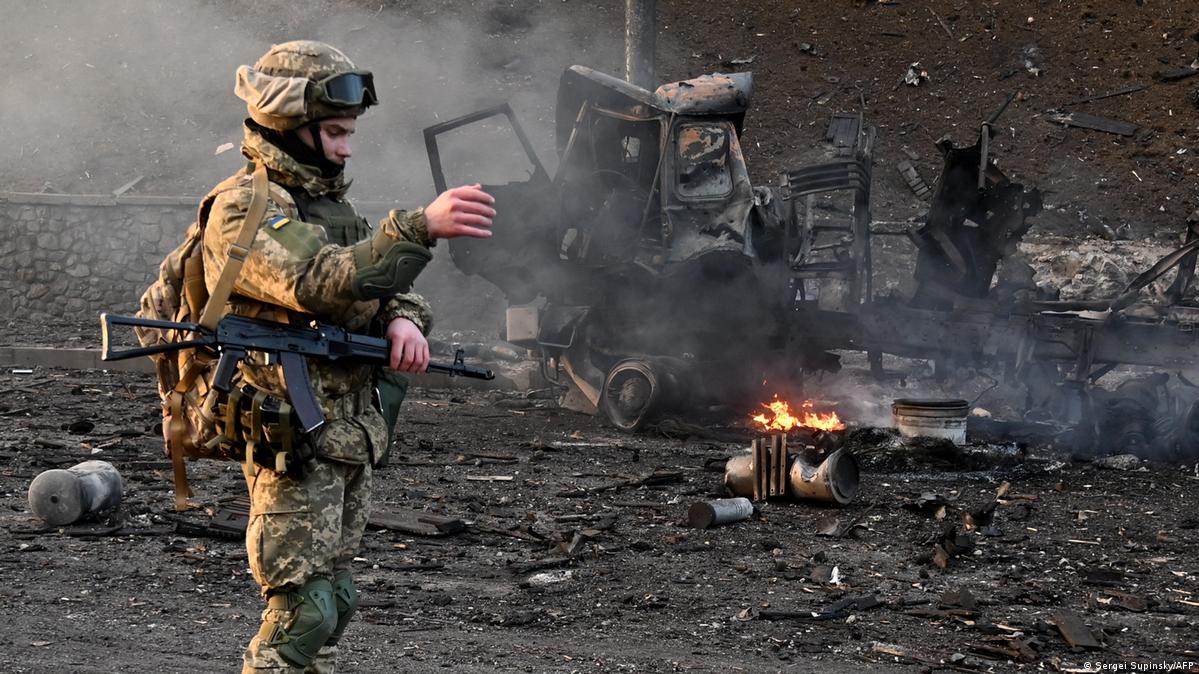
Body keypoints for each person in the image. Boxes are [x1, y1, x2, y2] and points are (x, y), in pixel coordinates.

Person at [206, 40, 495, 673]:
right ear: (289, 123)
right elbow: (314, 281)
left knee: (334, 602)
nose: (347, 146)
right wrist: (418, 227)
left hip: (345, 434)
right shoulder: (244, 207)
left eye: (350, 131)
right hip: (292, 437)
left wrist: (403, 323)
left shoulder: (334, 210)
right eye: (335, 131)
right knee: (300, 613)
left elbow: (391, 291)